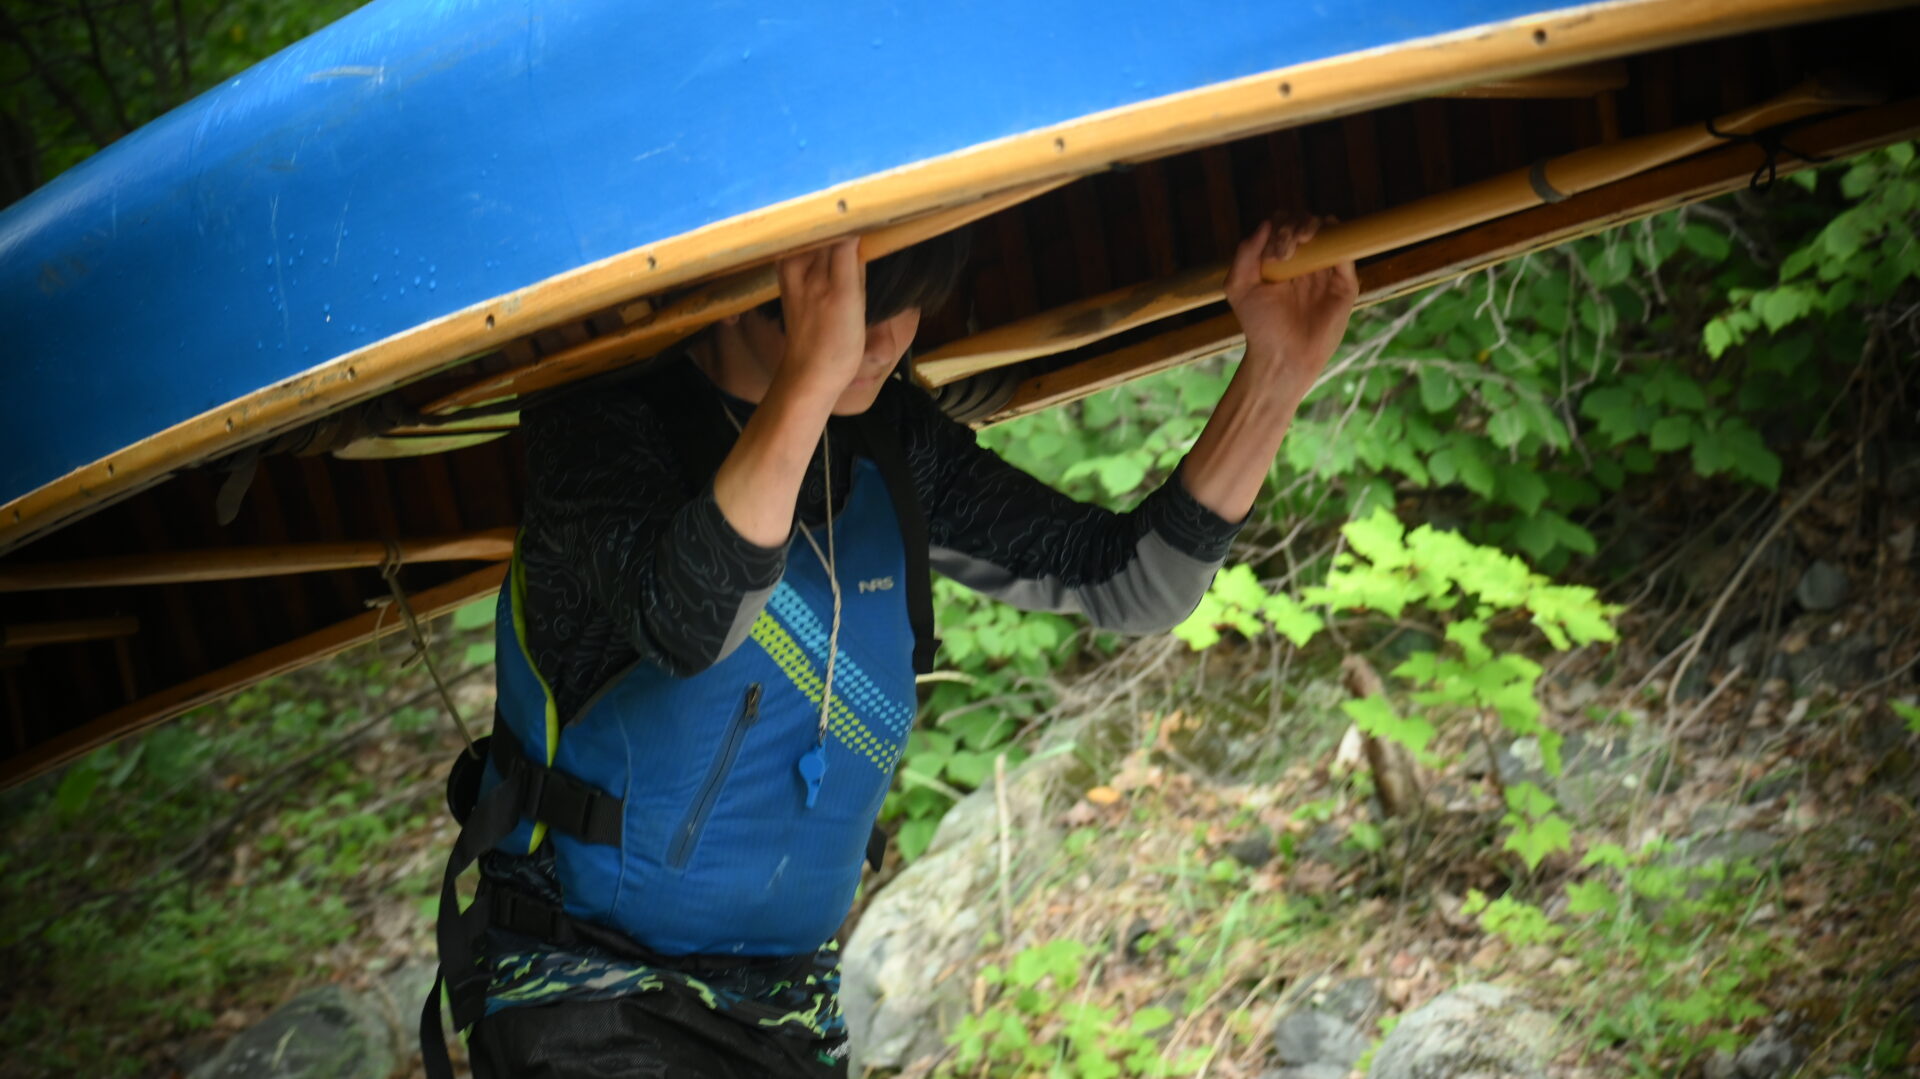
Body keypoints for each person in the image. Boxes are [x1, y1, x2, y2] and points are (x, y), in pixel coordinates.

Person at [425, 215, 1358, 1078]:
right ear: (772, 279)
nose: (885, 341)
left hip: (788, 1007)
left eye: (908, 308)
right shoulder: (599, 427)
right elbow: (690, 618)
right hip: (588, 1000)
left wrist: (1275, 373)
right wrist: (809, 381)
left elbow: (1133, 582)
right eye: (864, 307)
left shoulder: (887, 443)